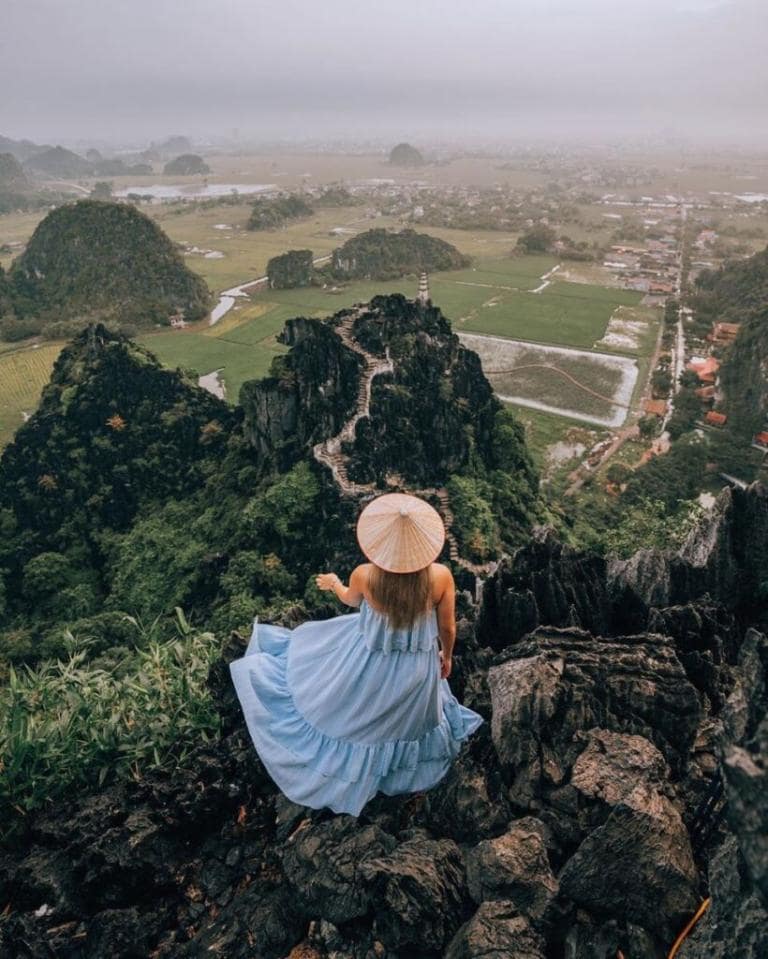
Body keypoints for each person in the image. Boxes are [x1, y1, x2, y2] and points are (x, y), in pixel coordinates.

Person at [229, 492, 483, 817]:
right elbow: (447, 628)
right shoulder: (440, 578)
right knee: (411, 720)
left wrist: (334, 583)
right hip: (416, 667)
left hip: (367, 658)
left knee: (339, 698)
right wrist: (446, 657)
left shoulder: (366, 575)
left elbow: (351, 600)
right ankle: (395, 769)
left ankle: (358, 767)